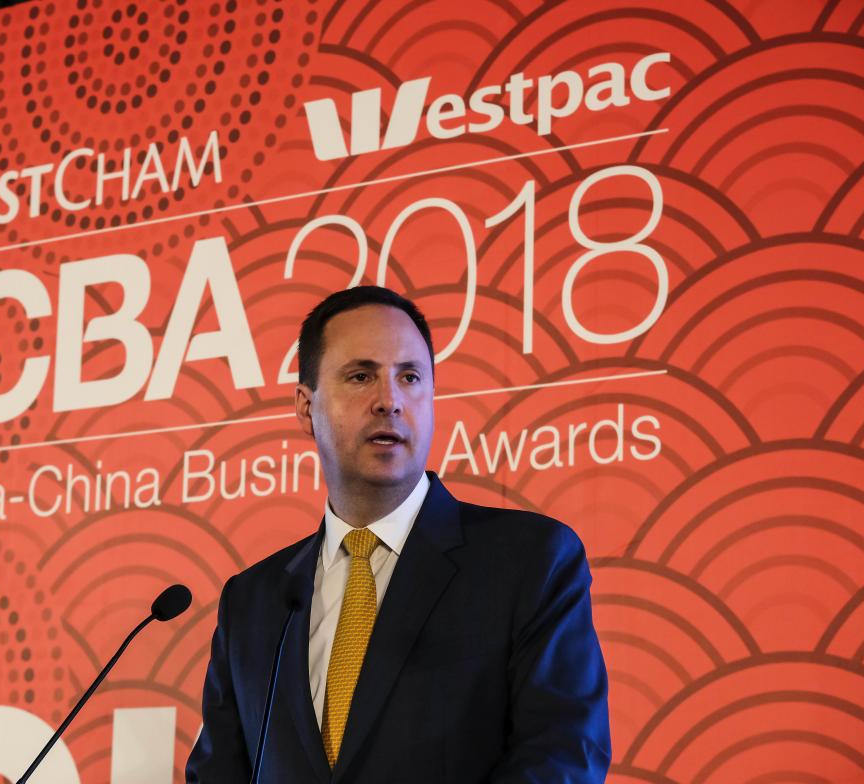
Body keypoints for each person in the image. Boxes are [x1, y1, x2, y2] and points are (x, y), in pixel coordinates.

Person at [186, 286, 610, 782]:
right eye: (361, 376)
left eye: (410, 377)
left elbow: (562, 758)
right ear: (306, 407)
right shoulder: (254, 602)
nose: (389, 401)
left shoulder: (528, 562)